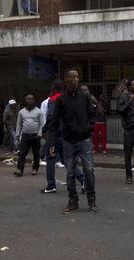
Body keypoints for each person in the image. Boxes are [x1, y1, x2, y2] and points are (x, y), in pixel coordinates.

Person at [48, 69, 98, 213]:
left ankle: (92, 200)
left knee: (89, 171)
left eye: (77, 77)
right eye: (73, 77)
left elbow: (92, 116)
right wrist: (51, 143)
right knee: (70, 173)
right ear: (67, 81)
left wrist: (88, 128)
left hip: (84, 140)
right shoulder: (61, 99)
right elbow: (54, 122)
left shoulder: (84, 97)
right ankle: (73, 202)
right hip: (68, 141)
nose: (76, 79)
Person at [41, 80, 86, 194]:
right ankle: (83, 179)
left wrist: (45, 130)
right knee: (67, 160)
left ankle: (51, 185)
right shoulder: (70, 98)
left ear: (54, 89)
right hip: (69, 134)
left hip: (56, 135)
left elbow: (52, 118)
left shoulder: (54, 99)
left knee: (50, 158)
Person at [13, 95, 45, 176]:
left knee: (36, 153)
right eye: (28, 99)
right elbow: (19, 124)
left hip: (36, 135)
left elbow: (42, 124)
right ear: (25, 100)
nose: (29, 100)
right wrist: (17, 134)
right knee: (22, 153)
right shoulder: (21, 112)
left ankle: (35, 168)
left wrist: (39, 134)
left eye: (31, 99)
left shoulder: (39, 111)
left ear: (34, 100)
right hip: (25, 135)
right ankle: (19, 170)